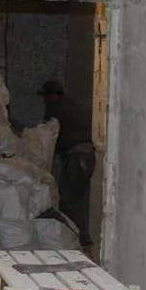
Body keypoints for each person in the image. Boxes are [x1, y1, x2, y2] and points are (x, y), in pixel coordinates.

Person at [39, 80, 96, 247]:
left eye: (46, 96)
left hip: (75, 158)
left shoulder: (55, 108)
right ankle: (83, 236)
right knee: (80, 198)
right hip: (88, 156)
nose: (45, 100)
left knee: (68, 199)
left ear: (52, 95)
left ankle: (75, 238)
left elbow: (48, 136)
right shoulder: (74, 106)